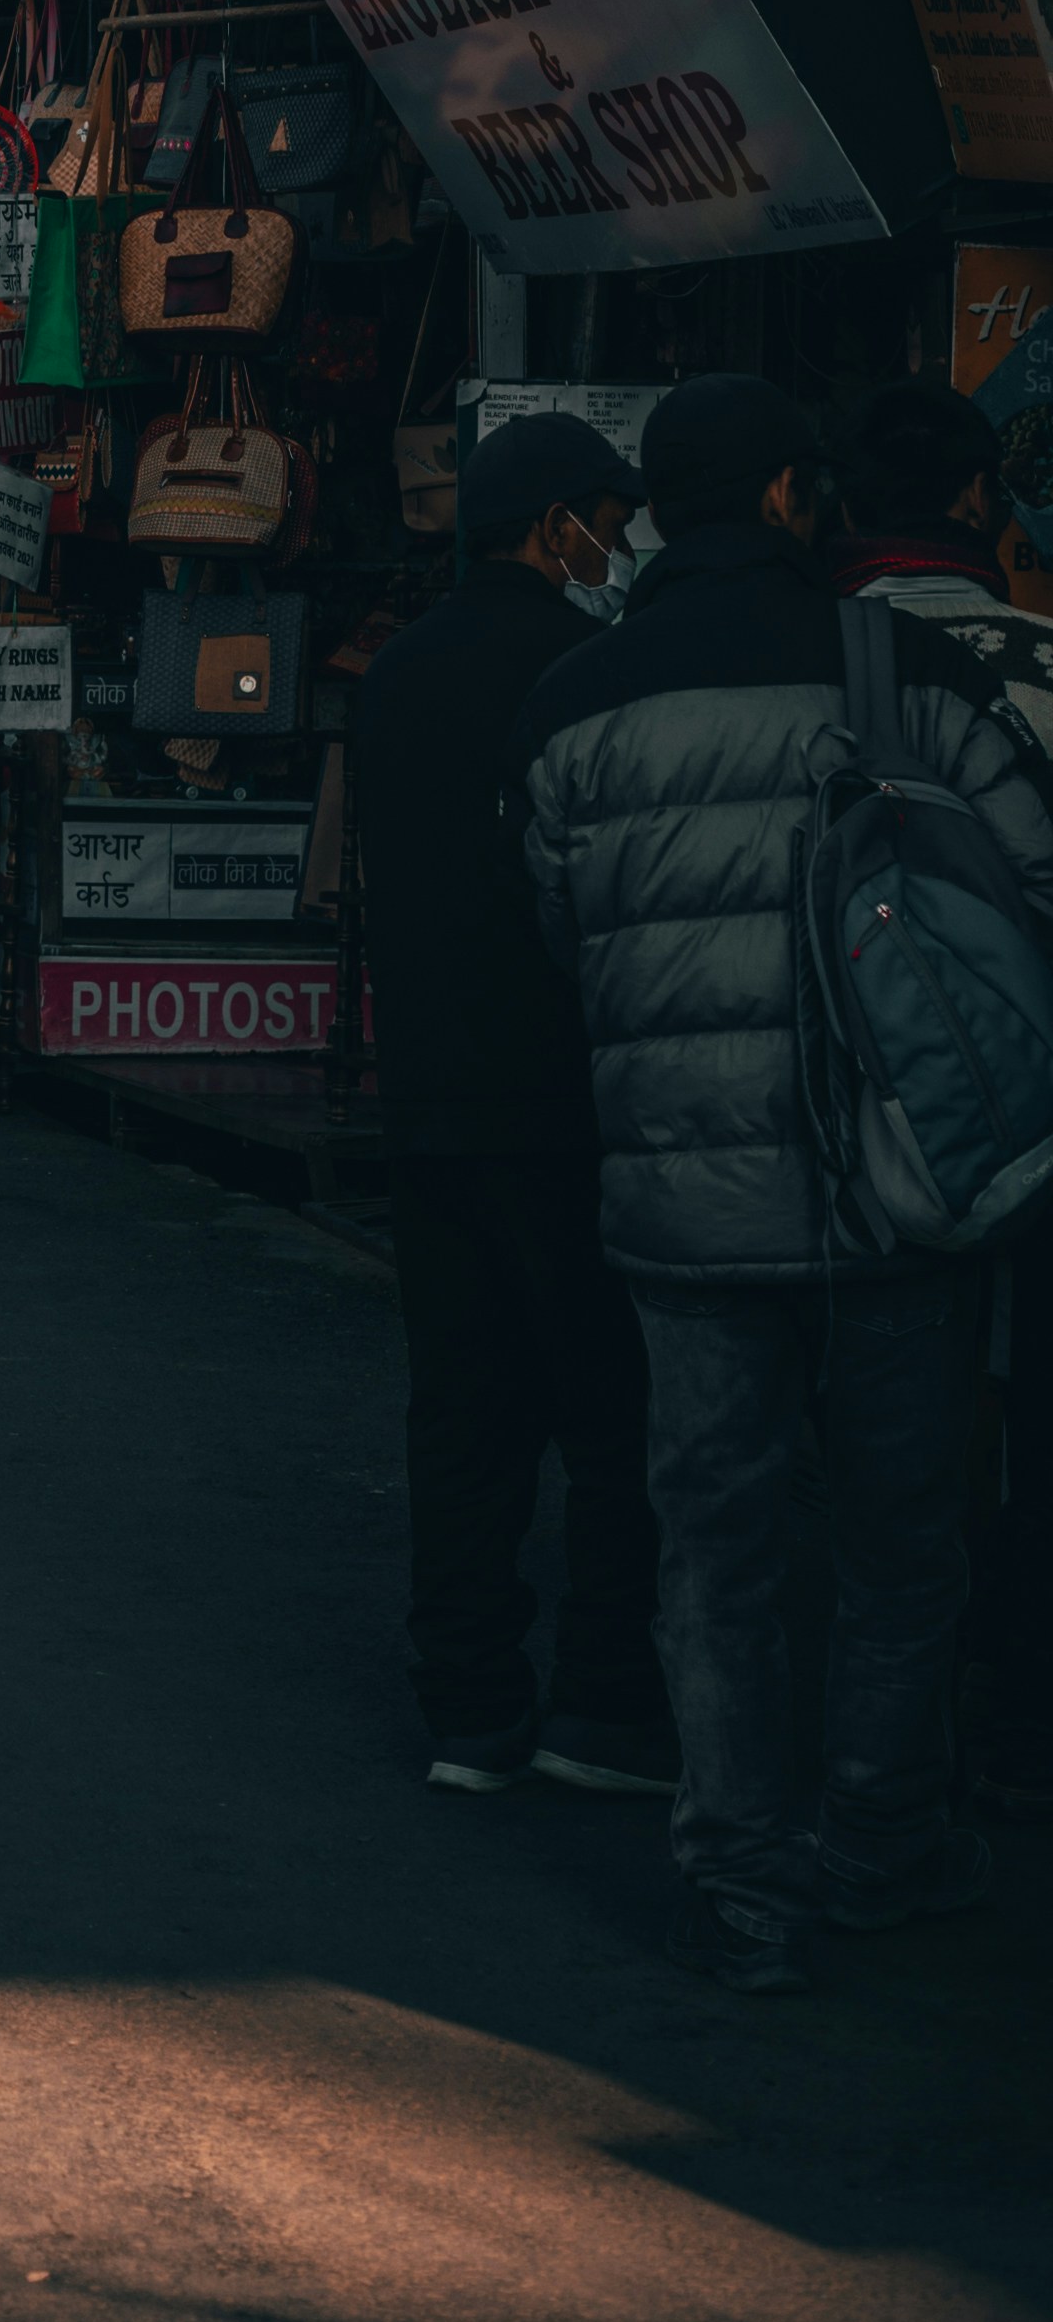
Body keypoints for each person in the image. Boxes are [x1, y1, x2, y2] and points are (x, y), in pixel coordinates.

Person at [520, 371, 1053, 1989]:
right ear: (778, 497)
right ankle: (881, 1839)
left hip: (683, 1201)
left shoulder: (573, 699)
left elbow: (561, 936)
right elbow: (1024, 879)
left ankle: (739, 1880)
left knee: (717, 1545)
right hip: (896, 1182)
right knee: (901, 1537)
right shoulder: (896, 670)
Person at [349, 410, 668, 1801]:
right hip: (565, 1100)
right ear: (558, 532)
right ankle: (600, 1705)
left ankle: (468, 1706)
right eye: (611, 520)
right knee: (608, 1416)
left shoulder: (396, 674)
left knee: (463, 1415)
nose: (622, 547)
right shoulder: (587, 670)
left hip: (429, 1097)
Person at [830, 376, 1053, 1820]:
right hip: (1031, 1102)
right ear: (980, 504)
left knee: (876, 1431)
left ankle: (886, 1742)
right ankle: (1006, 1710)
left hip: (840, 1101)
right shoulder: (1036, 660)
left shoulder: (813, 658)